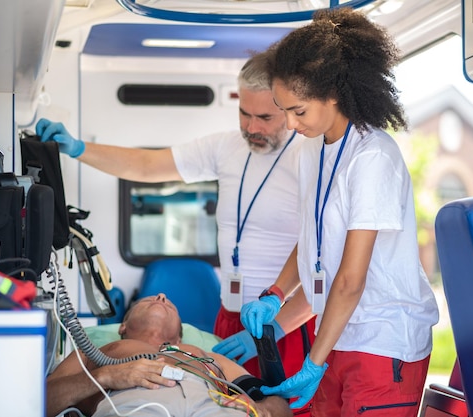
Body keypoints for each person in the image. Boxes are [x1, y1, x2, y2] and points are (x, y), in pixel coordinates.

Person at [35, 52, 316, 381]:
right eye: (244, 113)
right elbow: (146, 166)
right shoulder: (226, 148)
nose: (252, 127)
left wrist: (278, 329)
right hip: (230, 315)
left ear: (289, 107)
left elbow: (325, 264)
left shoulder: (307, 158)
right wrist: (80, 148)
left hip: (288, 322)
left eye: (265, 117)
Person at [238, 8, 440, 417]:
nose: (291, 125)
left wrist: (313, 362)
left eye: (299, 111)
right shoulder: (313, 149)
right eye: (284, 111)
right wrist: (276, 295)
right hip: (336, 336)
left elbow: (350, 279)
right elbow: (314, 240)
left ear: (334, 94)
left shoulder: (372, 156)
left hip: (383, 343)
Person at [46, 293, 292, 417]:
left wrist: (263, 410)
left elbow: (280, 405)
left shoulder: (203, 355)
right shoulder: (95, 353)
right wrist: (106, 376)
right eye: (148, 300)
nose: (162, 296)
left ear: (179, 337)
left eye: (169, 304)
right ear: (122, 327)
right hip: (135, 407)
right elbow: (39, 403)